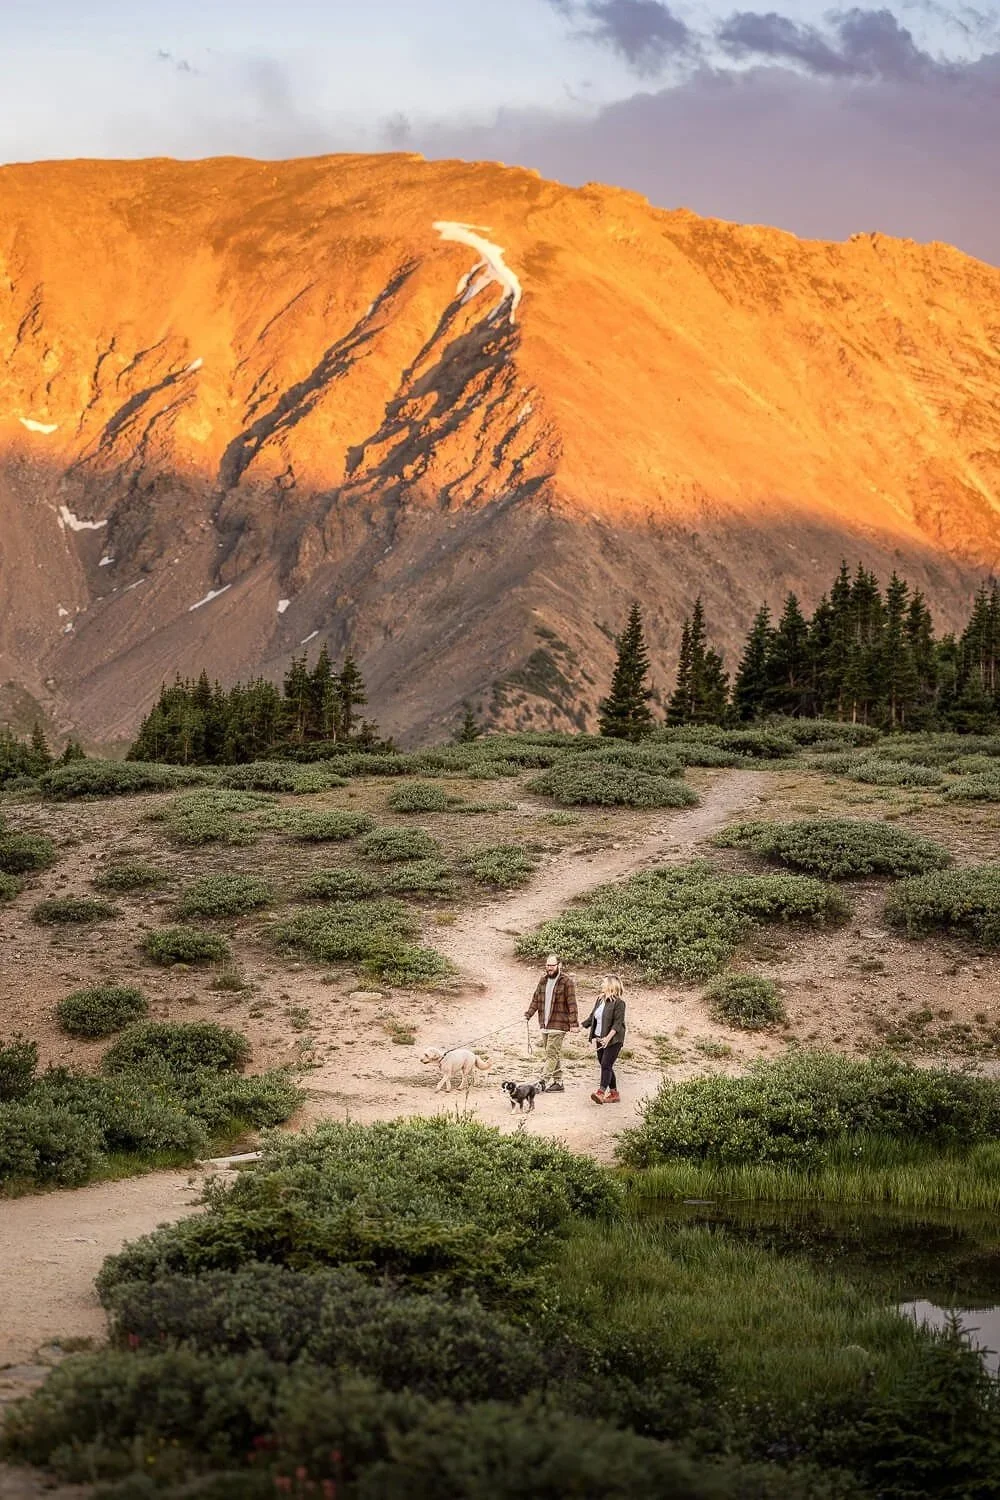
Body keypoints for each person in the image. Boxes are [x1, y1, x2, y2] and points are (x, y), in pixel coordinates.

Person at [524, 954, 578, 1092]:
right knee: (553, 1054)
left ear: (559, 965)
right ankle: (558, 1083)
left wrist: (573, 1024)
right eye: (547, 965)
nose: (549, 968)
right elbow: (536, 1000)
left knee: (551, 1054)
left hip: (559, 1024)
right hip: (545, 1024)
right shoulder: (543, 981)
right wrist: (528, 1014)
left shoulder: (567, 982)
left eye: (552, 965)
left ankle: (542, 1082)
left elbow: (572, 1003)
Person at [582, 976, 627, 1104]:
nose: (602, 984)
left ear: (611, 985)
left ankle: (600, 1093)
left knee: (606, 1064)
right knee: (605, 1065)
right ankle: (614, 1094)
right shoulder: (600, 999)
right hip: (600, 1037)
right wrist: (581, 1026)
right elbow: (592, 1017)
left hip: (613, 1039)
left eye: (604, 982)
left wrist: (608, 1038)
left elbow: (618, 1024)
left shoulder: (619, 1003)